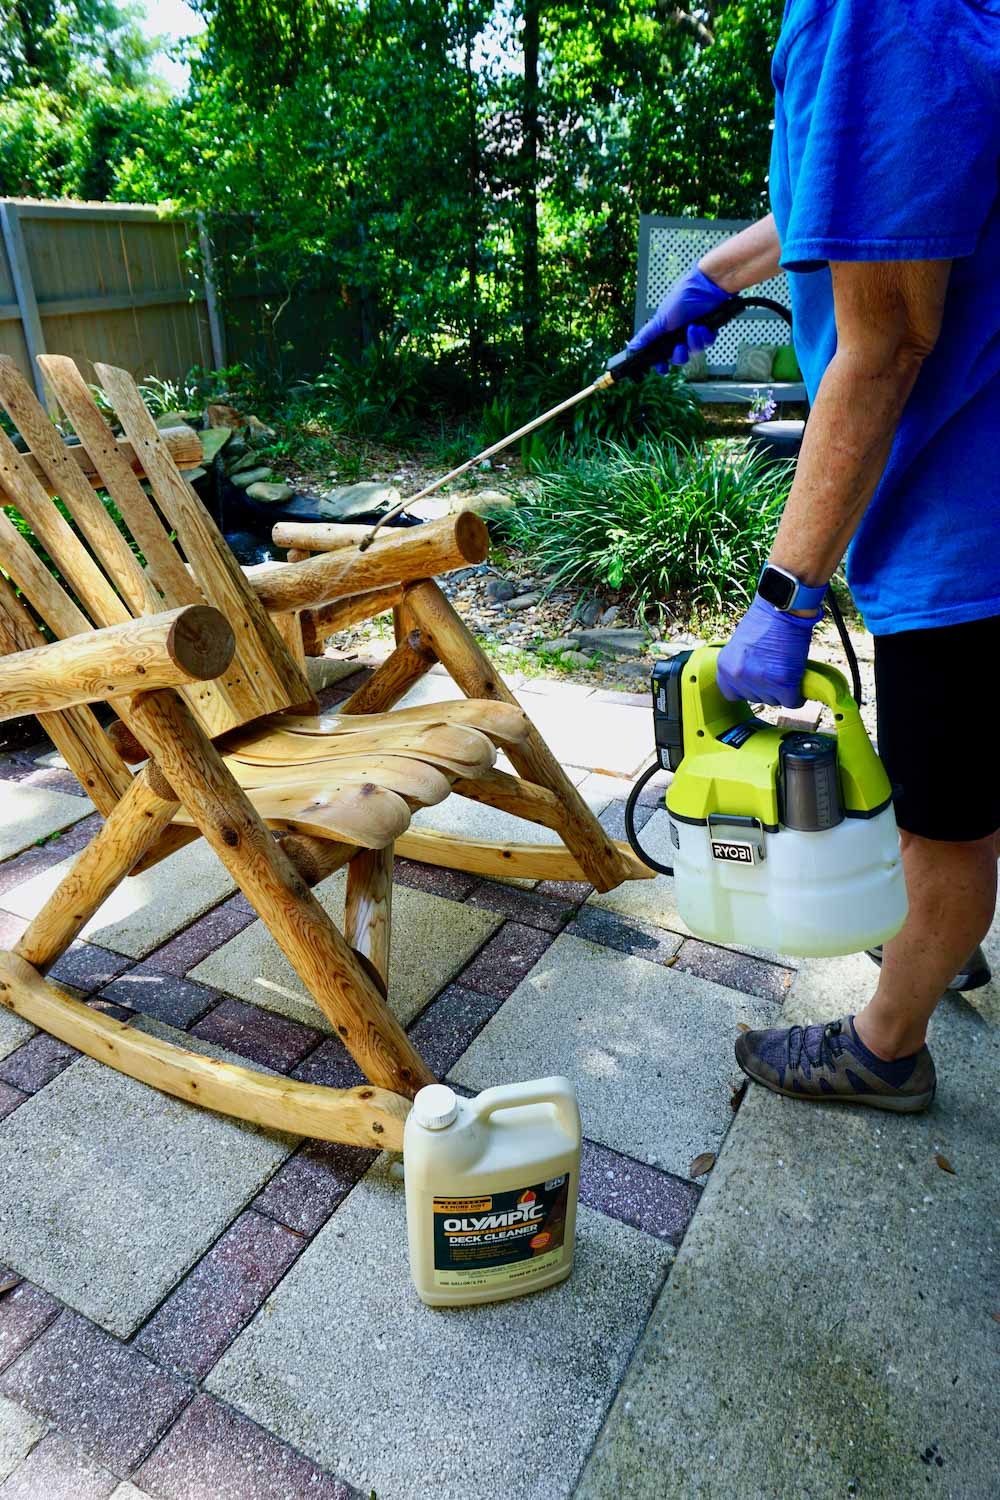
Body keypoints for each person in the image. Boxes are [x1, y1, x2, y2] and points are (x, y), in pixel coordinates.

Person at [628, 0, 1000, 1113]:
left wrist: (783, 601)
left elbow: (886, 342)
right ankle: (939, 931)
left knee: (946, 812)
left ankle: (887, 1044)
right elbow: (873, 193)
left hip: (965, 511)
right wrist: (719, 275)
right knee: (960, 779)